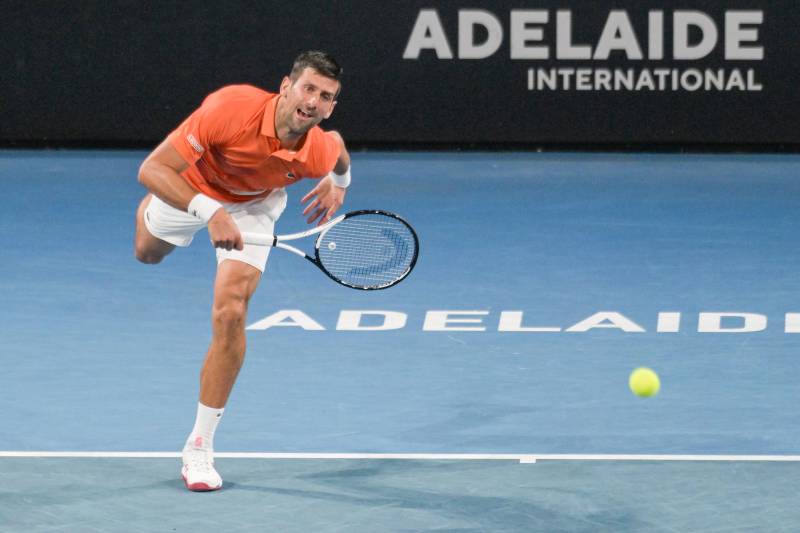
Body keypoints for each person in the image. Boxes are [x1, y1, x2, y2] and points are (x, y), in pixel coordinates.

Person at [133, 51, 351, 491]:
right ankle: (161, 218)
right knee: (147, 253)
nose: (313, 102)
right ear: (285, 86)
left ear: (330, 107)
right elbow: (152, 168)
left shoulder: (316, 151)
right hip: (191, 187)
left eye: (325, 97)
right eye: (308, 88)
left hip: (254, 204)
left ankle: (199, 445)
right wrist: (210, 212)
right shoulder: (231, 108)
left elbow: (340, 150)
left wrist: (339, 183)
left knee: (231, 311)